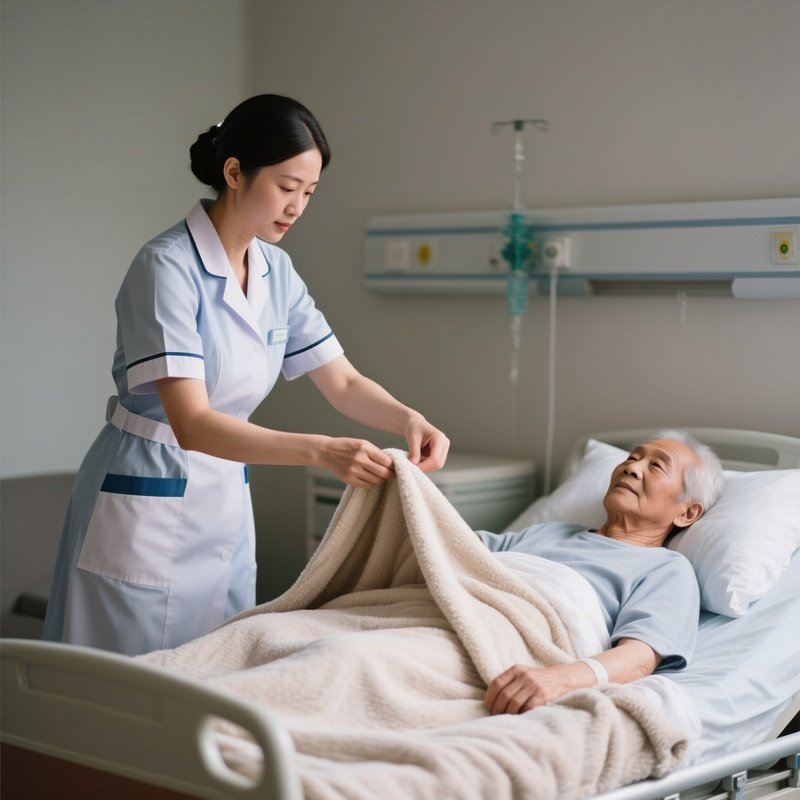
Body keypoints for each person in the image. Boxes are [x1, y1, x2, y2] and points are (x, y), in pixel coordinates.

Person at [43, 94, 449, 657]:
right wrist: (322, 452)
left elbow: (343, 383)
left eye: (309, 192)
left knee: (212, 671)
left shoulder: (275, 270)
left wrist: (411, 419)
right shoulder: (165, 268)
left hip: (224, 505)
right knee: (119, 695)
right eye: (286, 187)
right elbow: (191, 424)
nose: (298, 207)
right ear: (234, 172)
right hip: (147, 496)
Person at [476, 430, 724, 716]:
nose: (631, 467)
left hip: (514, 643)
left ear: (687, 513)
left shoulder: (667, 570)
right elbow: (451, 547)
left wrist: (560, 679)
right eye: (632, 458)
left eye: (656, 466)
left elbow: (639, 658)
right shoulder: (551, 531)